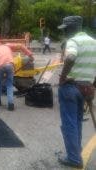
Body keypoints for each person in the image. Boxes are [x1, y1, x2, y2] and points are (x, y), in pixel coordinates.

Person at [57, 16, 96, 169]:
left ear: (70, 28)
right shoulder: (94, 42)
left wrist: (63, 76)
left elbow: (71, 56)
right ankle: (76, 151)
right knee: (77, 121)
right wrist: (93, 85)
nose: (64, 32)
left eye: (65, 29)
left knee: (69, 123)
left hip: (71, 86)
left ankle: (73, 158)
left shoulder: (73, 41)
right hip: (87, 87)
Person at [0, 40, 34, 111]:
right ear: (0, 43)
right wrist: (30, 55)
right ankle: (10, 104)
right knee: (9, 85)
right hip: (10, 65)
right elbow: (20, 46)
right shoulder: (7, 45)